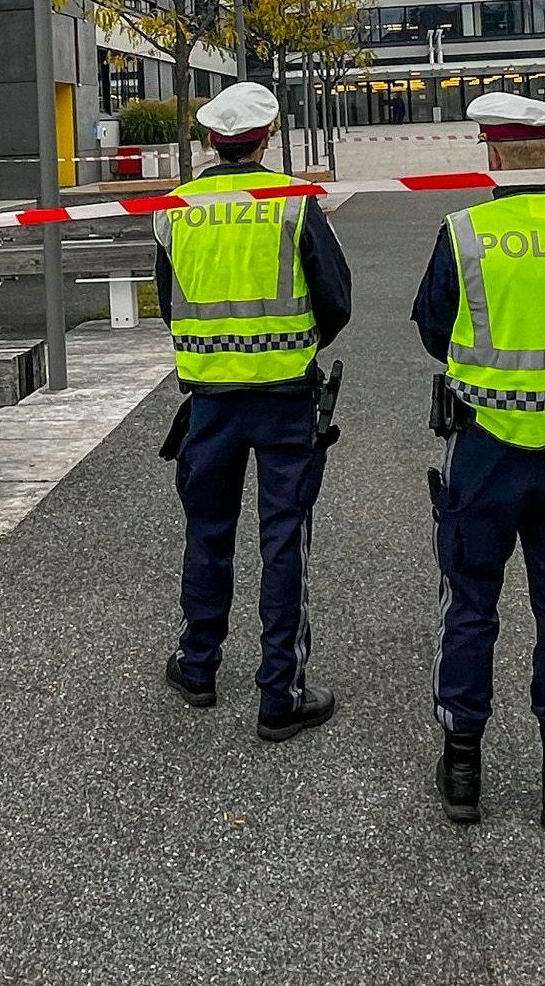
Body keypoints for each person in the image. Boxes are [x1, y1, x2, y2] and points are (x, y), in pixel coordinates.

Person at [411, 91, 545, 831]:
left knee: (470, 603)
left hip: (483, 449)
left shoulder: (464, 233)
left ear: (495, 154)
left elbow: (433, 330)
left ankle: (462, 770)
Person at [154, 82, 352, 742]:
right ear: (266, 137)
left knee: (207, 531)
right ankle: (280, 693)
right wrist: (293, 345)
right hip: (285, 398)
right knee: (283, 539)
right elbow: (336, 298)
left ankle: (197, 666)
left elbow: (168, 302)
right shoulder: (293, 201)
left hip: (209, 402)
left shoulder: (176, 209)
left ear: (211, 140)